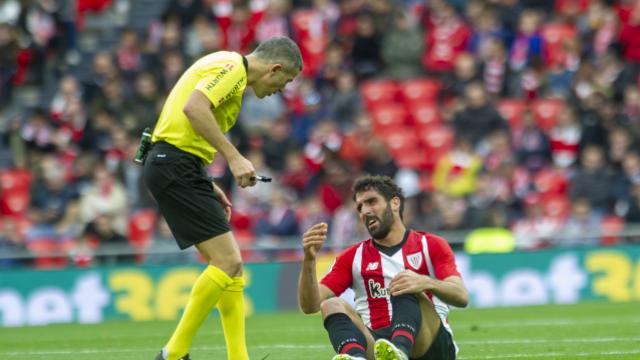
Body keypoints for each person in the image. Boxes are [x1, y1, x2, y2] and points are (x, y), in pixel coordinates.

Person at [143, 36, 302, 360]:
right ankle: (173, 353)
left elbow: (184, 123)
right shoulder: (232, 68)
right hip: (173, 163)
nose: (280, 91)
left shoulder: (227, 69)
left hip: (179, 164)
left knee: (232, 267)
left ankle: (237, 357)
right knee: (227, 261)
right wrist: (234, 157)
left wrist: (204, 178)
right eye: (284, 82)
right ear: (274, 68)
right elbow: (194, 108)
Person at [298, 175, 468, 360]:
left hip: (431, 346)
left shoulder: (430, 244)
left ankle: (400, 350)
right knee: (330, 304)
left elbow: (460, 296)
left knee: (404, 282)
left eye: (372, 202)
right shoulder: (352, 257)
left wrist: (425, 282)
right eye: (360, 207)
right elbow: (310, 305)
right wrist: (309, 259)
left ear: (394, 203)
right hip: (379, 348)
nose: (365, 211)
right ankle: (356, 357)